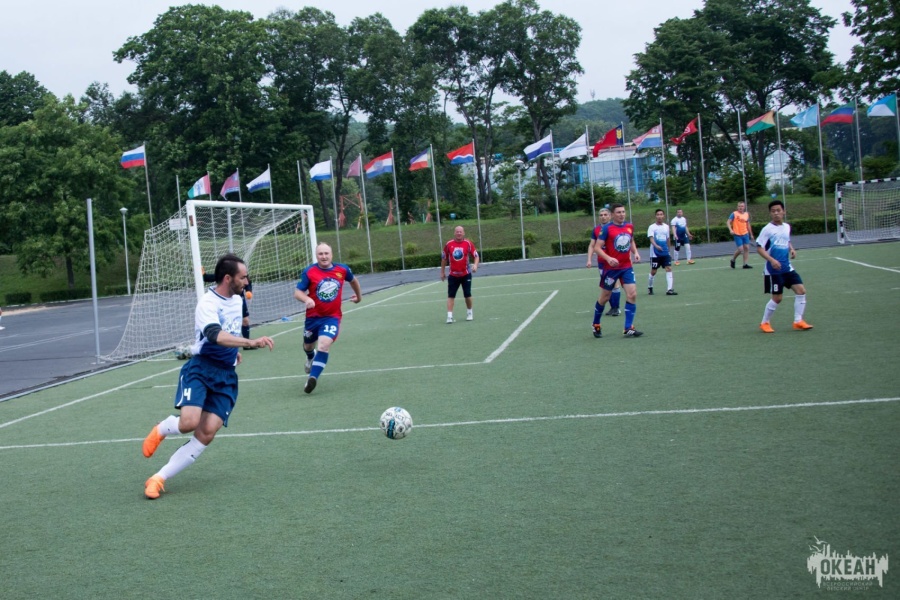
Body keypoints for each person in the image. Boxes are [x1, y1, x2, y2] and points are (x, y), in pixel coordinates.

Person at [141, 254, 275, 499]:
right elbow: (215, 335)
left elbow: (232, 330)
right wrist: (249, 343)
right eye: (243, 277)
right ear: (228, 278)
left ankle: (158, 478)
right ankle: (162, 428)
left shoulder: (238, 300)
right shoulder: (207, 303)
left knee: (207, 432)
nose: (247, 281)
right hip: (202, 369)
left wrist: (234, 352)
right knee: (189, 423)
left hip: (226, 376)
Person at [294, 242, 362, 394]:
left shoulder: (342, 269)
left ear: (331, 255)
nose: (324, 256)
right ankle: (310, 358)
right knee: (308, 346)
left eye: (326, 253)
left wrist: (359, 297)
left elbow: (353, 281)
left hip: (332, 317)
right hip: (312, 318)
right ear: (316, 255)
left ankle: (312, 378)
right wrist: (306, 299)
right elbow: (297, 292)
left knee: (324, 345)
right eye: (320, 254)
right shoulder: (309, 271)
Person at [756, 200, 813, 333]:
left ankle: (798, 321)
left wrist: (791, 249)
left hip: (787, 267)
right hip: (773, 270)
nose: (776, 213)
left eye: (778, 210)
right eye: (773, 211)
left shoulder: (787, 227)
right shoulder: (767, 229)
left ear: (784, 212)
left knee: (801, 291)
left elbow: (786, 240)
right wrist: (771, 260)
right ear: (770, 213)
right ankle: (764, 323)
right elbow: (759, 248)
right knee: (777, 298)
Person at [588, 203, 643, 338]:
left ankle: (628, 327)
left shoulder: (629, 226)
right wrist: (608, 258)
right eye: (618, 212)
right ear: (613, 215)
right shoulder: (607, 229)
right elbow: (597, 248)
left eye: (623, 212)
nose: (621, 214)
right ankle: (596, 324)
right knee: (605, 297)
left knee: (632, 294)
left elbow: (631, 241)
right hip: (611, 269)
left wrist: (635, 252)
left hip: (626, 267)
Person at [586, 207, 621, 316]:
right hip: (602, 262)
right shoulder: (596, 230)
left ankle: (616, 308)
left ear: (610, 216)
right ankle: (613, 308)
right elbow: (592, 245)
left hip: (613, 261)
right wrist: (589, 259)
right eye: (601, 215)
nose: (603, 217)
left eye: (605, 215)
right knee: (607, 286)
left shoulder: (615, 227)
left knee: (615, 284)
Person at [440, 225, 479, 323]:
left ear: (464, 233)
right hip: (453, 275)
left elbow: (476, 256)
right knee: (451, 295)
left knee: (467, 294)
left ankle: (469, 313)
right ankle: (449, 316)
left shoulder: (468, 243)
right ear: (454, 233)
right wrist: (442, 272)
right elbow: (444, 258)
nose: (459, 233)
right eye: (457, 231)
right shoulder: (449, 244)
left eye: (460, 231)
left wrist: (475, 265)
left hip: (466, 274)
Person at [647, 209, 677, 295]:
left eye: (661, 214)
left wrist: (668, 251)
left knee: (669, 268)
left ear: (663, 216)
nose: (659, 216)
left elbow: (668, 239)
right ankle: (650, 287)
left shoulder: (666, 227)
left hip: (665, 252)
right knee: (653, 271)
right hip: (655, 253)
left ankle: (669, 289)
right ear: (655, 216)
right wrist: (656, 246)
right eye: (658, 214)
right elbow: (651, 238)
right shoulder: (652, 227)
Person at [727, 201, 754, 269]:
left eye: (742, 206)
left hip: (745, 233)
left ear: (744, 207)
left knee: (746, 248)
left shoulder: (746, 214)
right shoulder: (734, 214)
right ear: (737, 207)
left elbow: (748, 225)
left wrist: (751, 234)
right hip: (737, 234)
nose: (740, 207)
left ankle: (745, 264)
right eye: (739, 206)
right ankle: (733, 260)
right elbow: (728, 222)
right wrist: (731, 230)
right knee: (740, 249)